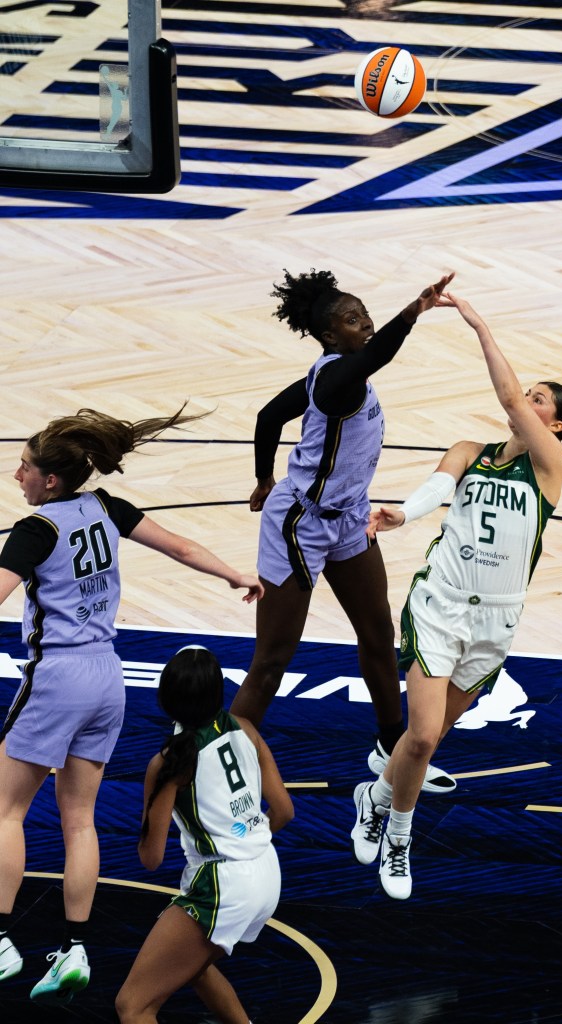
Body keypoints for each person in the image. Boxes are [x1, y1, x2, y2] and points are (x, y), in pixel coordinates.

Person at [0, 406, 263, 1005]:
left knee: (6, 811)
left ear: (51, 482)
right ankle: (75, 949)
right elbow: (181, 547)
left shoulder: (34, 530)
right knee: (80, 820)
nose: (17, 475)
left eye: (25, 468)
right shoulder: (106, 509)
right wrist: (232, 575)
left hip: (58, 674)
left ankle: (0, 940)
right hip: (106, 676)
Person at [350, 292, 562, 899]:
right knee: (421, 737)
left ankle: (372, 795)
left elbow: (506, 398)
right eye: (527, 394)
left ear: (553, 426)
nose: (524, 402)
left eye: (538, 402)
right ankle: (398, 837)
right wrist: (402, 513)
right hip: (441, 603)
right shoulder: (468, 451)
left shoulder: (550, 466)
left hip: (497, 623)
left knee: (426, 742)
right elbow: (433, 491)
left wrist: (479, 322)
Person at [230, 268, 456, 793]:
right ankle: (226, 762)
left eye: (365, 315)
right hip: (300, 525)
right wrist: (414, 310)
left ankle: (389, 746)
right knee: (274, 659)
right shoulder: (337, 381)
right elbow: (377, 356)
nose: (367, 325)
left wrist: (263, 477)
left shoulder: (335, 372)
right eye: (354, 321)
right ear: (331, 335)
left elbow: (268, 417)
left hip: (350, 517)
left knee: (378, 633)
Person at [115, 646, 293, 1024]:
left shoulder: (169, 763)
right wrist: (245, 835)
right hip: (267, 872)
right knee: (194, 968)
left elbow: (152, 859)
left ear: (166, 699)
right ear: (218, 693)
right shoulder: (245, 727)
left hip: (223, 884)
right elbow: (284, 811)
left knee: (133, 1006)